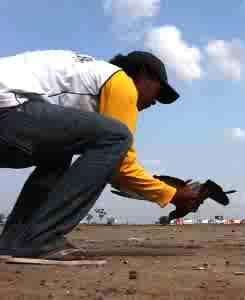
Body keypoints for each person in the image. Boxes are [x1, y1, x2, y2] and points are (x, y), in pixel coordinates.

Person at [0, 49, 201, 261]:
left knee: (61, 149)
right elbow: (121, 168)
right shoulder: (120, 80)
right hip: (6, 108)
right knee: (117, 137)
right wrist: (174, 195)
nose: (155, 102)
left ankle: (15, 240)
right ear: (142, 74)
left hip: (11, 116)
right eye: (158, 91)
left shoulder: (86, 79)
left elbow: (109, 168)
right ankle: (41, 239)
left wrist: (166, 191)